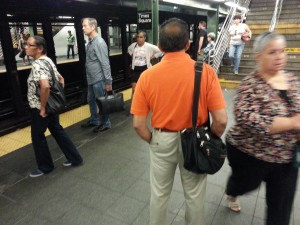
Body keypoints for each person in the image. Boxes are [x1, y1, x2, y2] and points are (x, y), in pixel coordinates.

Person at [131, 18, 227, 225]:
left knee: (159, 194)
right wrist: (208, 139)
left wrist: (154, 140)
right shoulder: (206, 72)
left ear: (159, 46)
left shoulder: (147, 77)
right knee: (194, 197)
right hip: (195, 141)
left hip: (161, 140)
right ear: (188, 44)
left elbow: (138, 124)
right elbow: (220, 121)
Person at [225, 32, 300, 225]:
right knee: (243, 184)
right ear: (259, 56)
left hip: (286, 160)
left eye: (282, 51)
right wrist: (292, 123)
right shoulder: (250, 85)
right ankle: (232, 192)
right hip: (251, 155)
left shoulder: (292, 81)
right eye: (272, 52)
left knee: (280, 211)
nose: (279, 57)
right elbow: (246, 118)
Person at [25, 35, 83, 178]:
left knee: (38, 136)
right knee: (57, 131)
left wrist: (43, 107)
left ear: (39, 49)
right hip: (51, 106)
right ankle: (75, 158)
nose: (25, 47)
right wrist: (54, 100)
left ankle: (46, 166)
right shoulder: (48, 60)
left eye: (29, 45)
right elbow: (61, 79)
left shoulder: (38, 64)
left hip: (40, 107)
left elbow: (45, 86)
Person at [81, 17, 113, 133]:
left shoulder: (99, 42)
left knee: (101, 102)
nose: (82, 28)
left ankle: (106, 123)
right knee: (91, 100)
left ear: (93, 27)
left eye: (85, 26)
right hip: (91, 79)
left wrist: (108, 82)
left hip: (99, 79)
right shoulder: (90, 42)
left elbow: (105, 63)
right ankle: (94, 119)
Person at [127, 31, 161, 97]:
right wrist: (132, 56)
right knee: (134, 90)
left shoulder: (149, 46)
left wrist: (152, 57)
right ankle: (133, 106)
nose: (138, 38)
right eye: (138, 37)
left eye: (141, 37)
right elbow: (128, 49)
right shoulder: (133, 45)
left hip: (145, 70)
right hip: (135, 70)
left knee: (146, 90)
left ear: (144, 38)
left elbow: (160, 51)